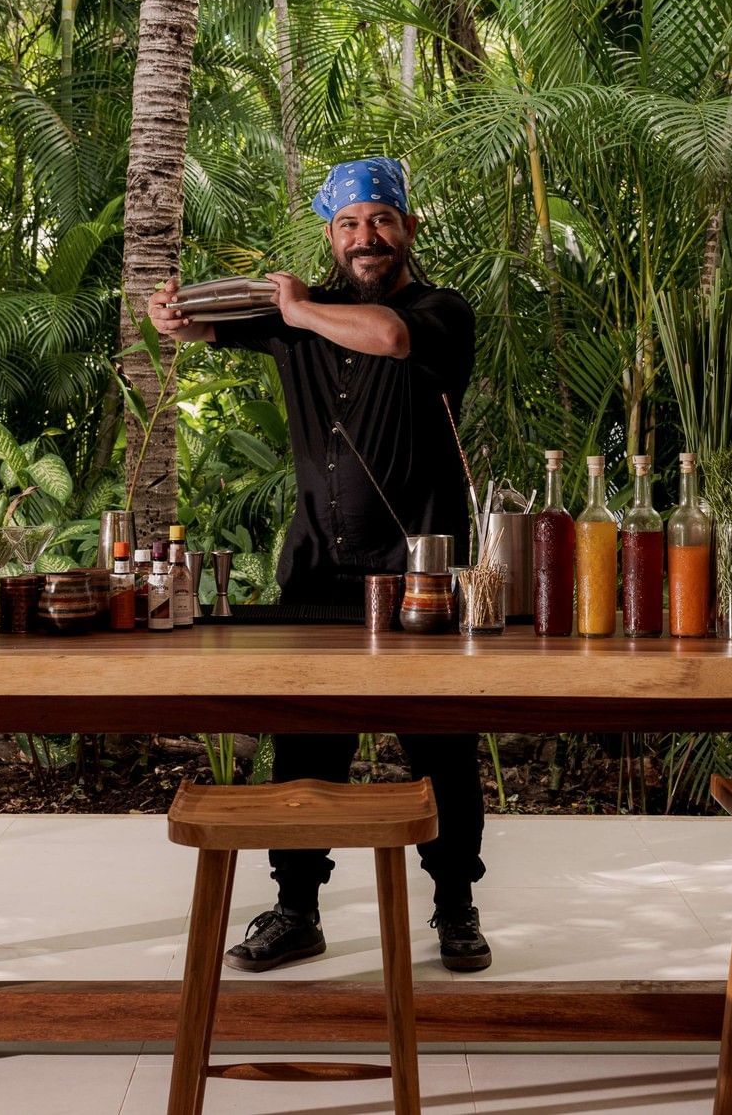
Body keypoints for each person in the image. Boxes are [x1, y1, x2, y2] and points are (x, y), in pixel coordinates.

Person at [148, 156, 492, 974]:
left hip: (422, 569)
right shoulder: (300, 318)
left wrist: (296, 307)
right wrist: (172, 315)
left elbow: (390, 338)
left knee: (440, 745)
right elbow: (199, 327)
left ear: (407, 228)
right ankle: (296, 906)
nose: (365, 237)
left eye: (380, 220)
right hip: (316, 569)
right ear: (330, 237)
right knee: (305, 741)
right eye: (349, 224)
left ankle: (455, 909)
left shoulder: (442, 310)